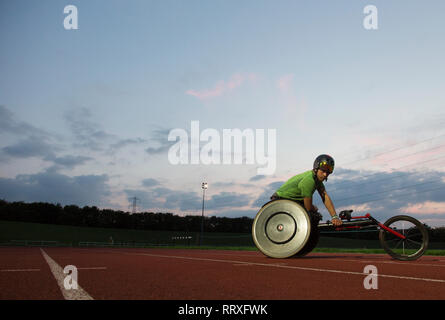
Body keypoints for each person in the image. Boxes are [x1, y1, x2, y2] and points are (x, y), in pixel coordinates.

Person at [270, 154, 342, 226]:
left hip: (293, 200)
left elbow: (325, 197)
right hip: (280, 199)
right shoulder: (309, 180)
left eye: (328, 172)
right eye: (323, 171)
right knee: (312, 216)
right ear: (316, 168)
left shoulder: (317, 180)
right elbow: (308, 208)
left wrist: (334, 217)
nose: (325, 175)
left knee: (315, 214)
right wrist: (312, 208)